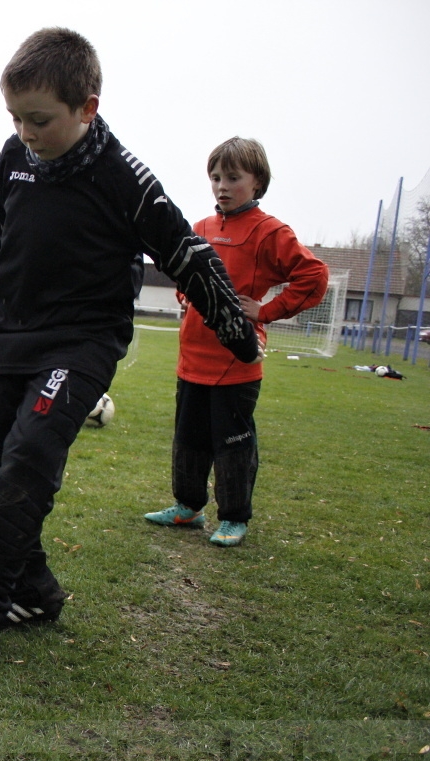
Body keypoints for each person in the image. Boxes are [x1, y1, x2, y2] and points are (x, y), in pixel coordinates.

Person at [0, 28, 263, 671]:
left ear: (88, 107)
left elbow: (186, 254)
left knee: (26, 460)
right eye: (15, 118)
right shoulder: (13, 154)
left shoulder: (125, 178)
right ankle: (33, 590)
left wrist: (237, 332)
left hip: (79, 346)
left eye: (40, 119)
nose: (26, 132)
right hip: (7, 336)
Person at [144, 137, 328, 547]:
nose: (222, 186)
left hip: (237, 363)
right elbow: (182, 274)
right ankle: (187, 507)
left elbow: (314, 277)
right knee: (188, 438)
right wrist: (184, 294)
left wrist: (264, 311)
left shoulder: (271, 232)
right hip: (191, 357)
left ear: (257, 182)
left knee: (232, 442)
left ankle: (234, 518)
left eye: (232, 177)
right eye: (215, 178)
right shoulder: (201, 229)